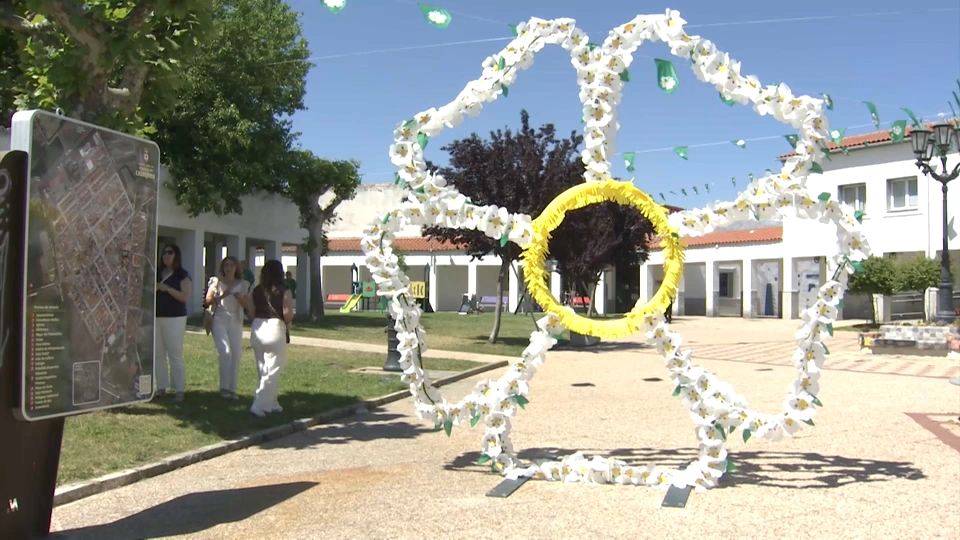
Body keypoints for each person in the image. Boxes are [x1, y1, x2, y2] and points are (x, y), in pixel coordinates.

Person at [247, 259, 293, 417]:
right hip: (275, 327)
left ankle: (273, 403)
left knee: (262, 368)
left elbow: (251, 312)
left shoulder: (257, 290)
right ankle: (259, 405)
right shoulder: (284, 290)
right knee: (273, 369)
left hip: (258, 327)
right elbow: (287, 314)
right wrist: (289, 323)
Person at [205, 257, 251, 400]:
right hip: (219, 318)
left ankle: (232, 389)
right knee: (225, 352)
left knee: (235, 355)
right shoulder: (217, 282)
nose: (229, 268)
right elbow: (207, 300)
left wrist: (240, 298)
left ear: (236, 268)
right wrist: (217, 297)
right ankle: (224, 388)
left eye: (231, 265)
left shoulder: (243, 284)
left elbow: (247, 305)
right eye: (226, 265)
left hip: (236, 320)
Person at [156, 244, 192, 402]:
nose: (166, 256)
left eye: (170, 253)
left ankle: (179, 389)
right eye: (164, 253)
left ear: (176, 255)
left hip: (175, 318)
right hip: (157, 317)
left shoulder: (182, 275)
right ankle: (161, 387)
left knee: (174, 354)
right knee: (158, 354)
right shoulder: (156, 273)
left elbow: (185, 298)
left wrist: (167, 289)